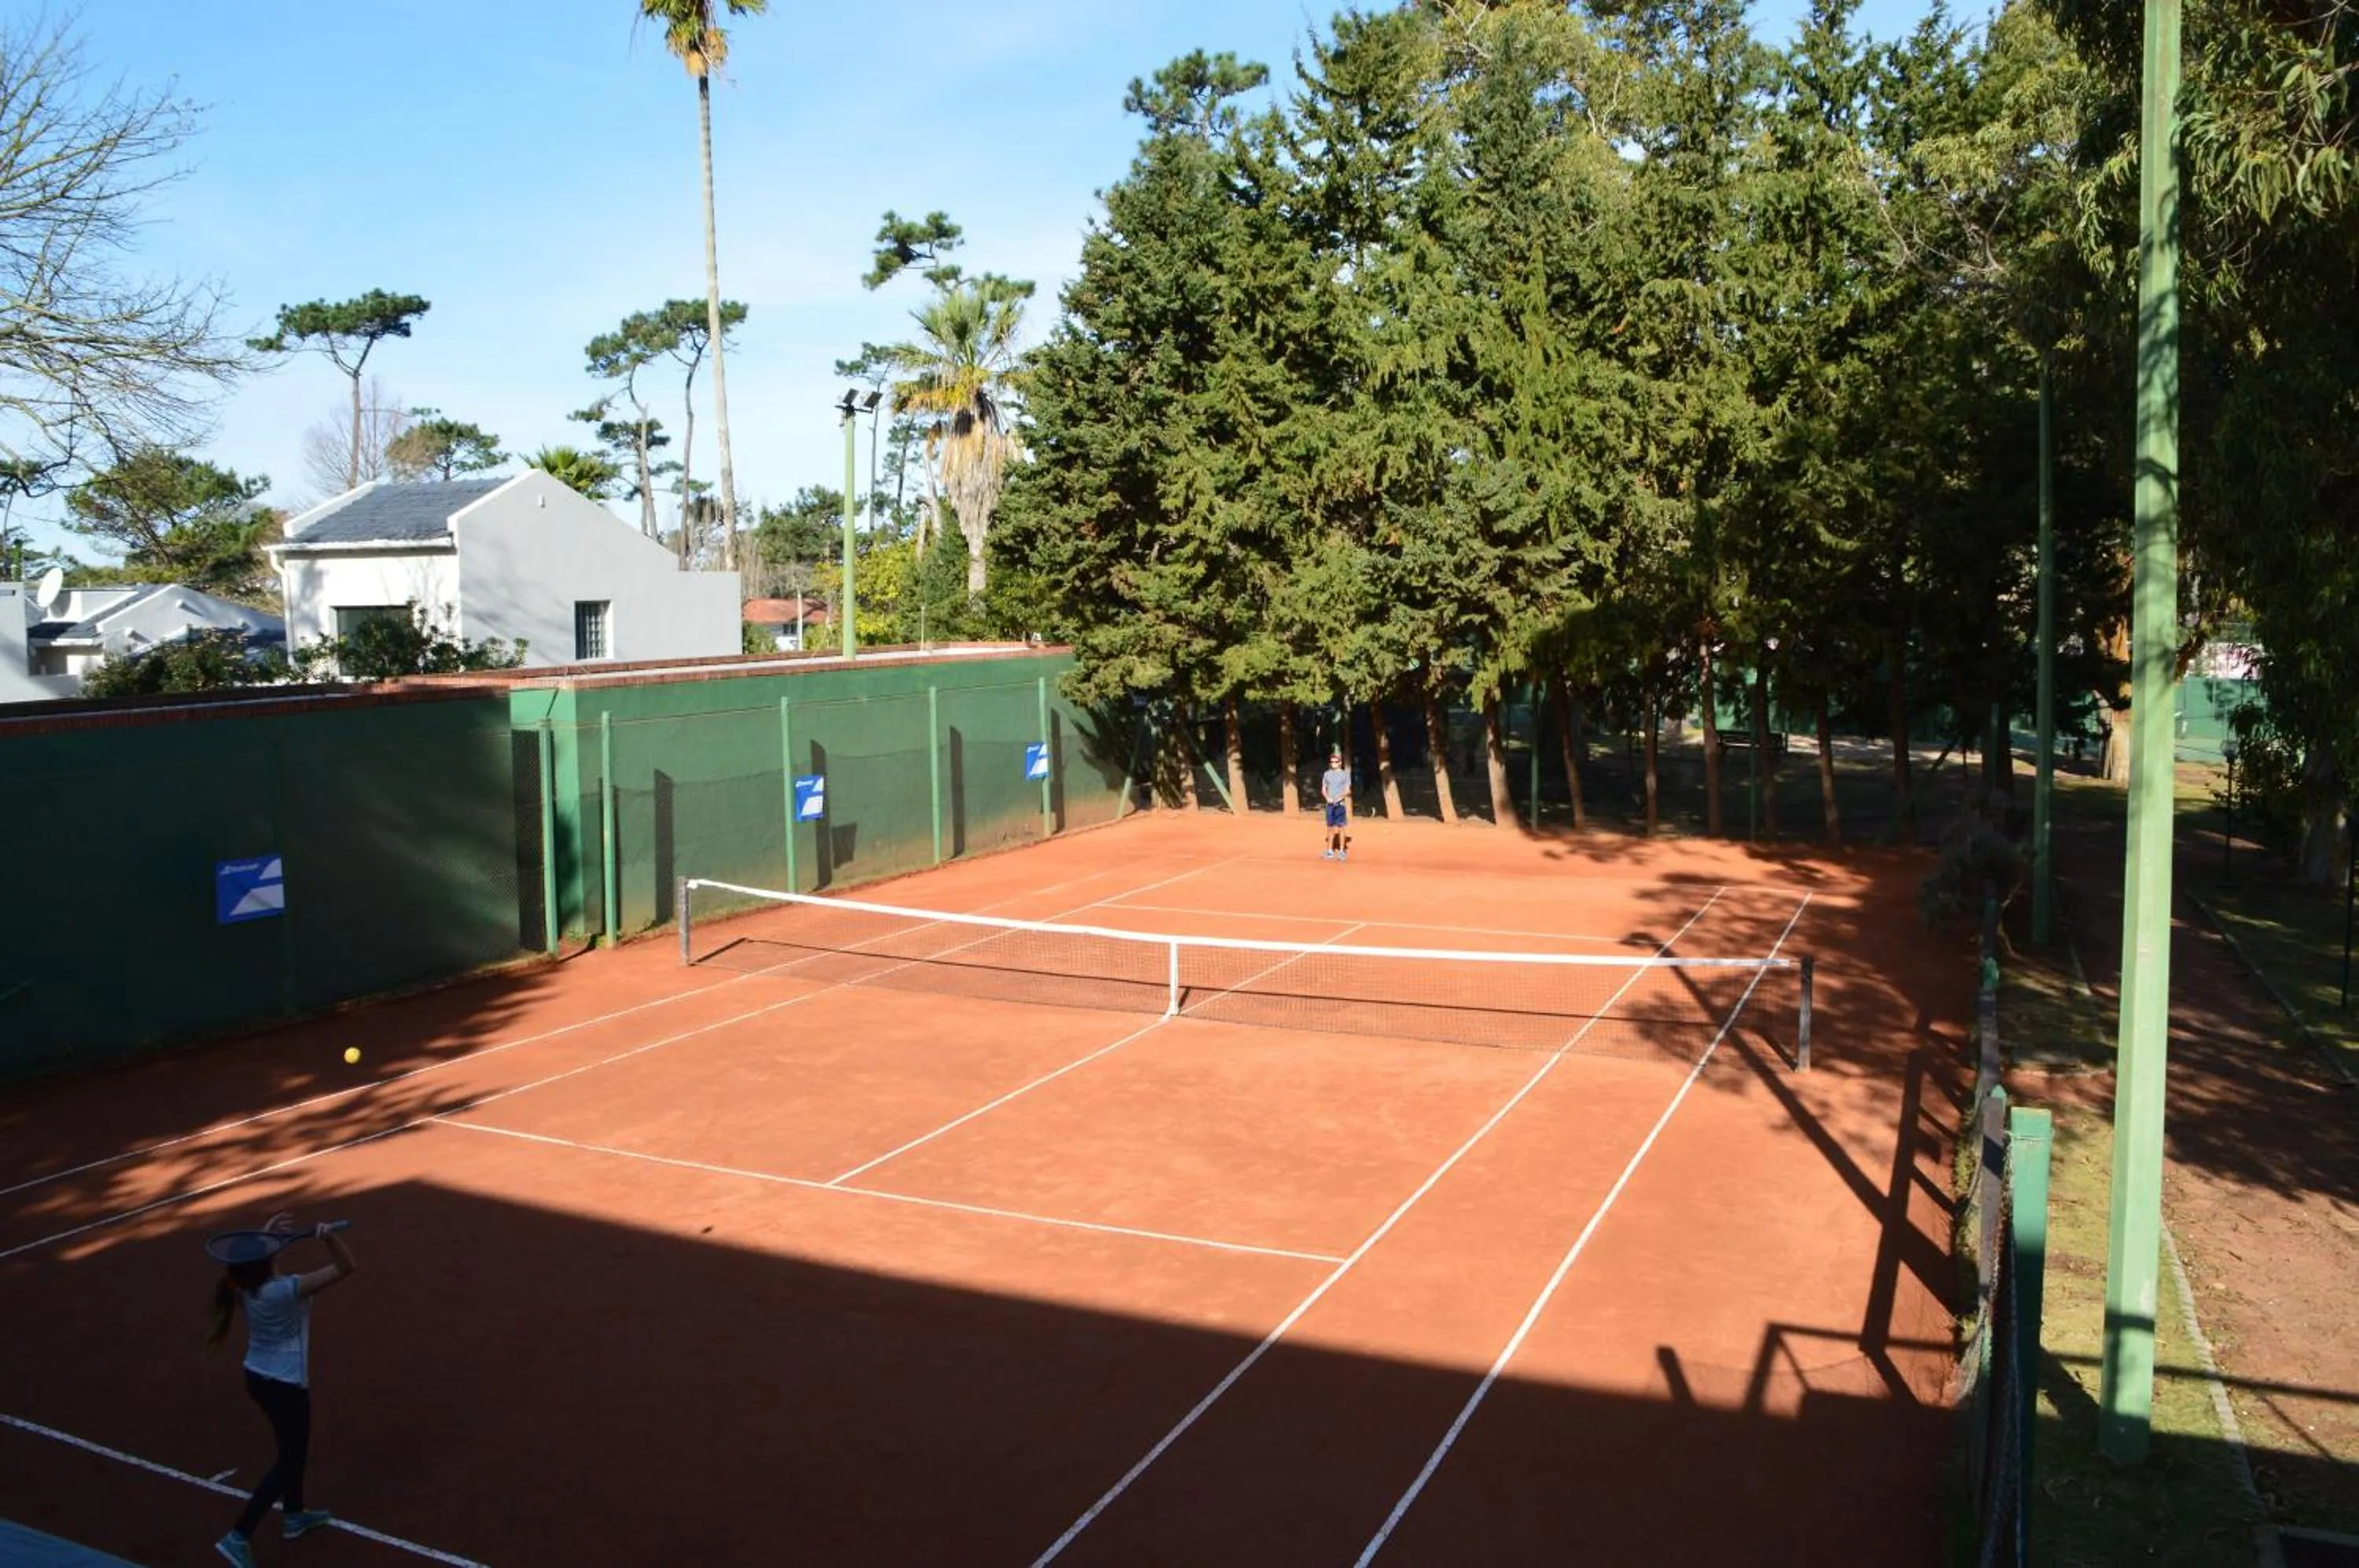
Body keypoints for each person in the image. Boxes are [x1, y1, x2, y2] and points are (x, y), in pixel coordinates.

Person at [206, 1213, 357, 1566]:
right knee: (290, 1461)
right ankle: (238, 1535)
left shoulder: (244, 1288)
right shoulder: (286, 1290)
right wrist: (328, 1238)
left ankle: (293, 1515)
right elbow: (347, 1266)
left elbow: (259, 1268)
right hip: (285, 1385)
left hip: (257, 1377)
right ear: (265, 1261)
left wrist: (266, 1238)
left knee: (292, 1448)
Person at [1320, 746, 1352, 860]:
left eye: (1336, 762)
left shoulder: (1345, 775)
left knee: (1341, 828)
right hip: (1329, 805)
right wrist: (1327, 797)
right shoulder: (1327, 774)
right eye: (1332, 762)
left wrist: (1340, 798)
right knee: (1329, 828)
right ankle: (1329, 851)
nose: (1334, 763)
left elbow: (1348, 790)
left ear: (1340, 763)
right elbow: (1323, 789)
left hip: (1340, 806)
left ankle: (1342, 851)